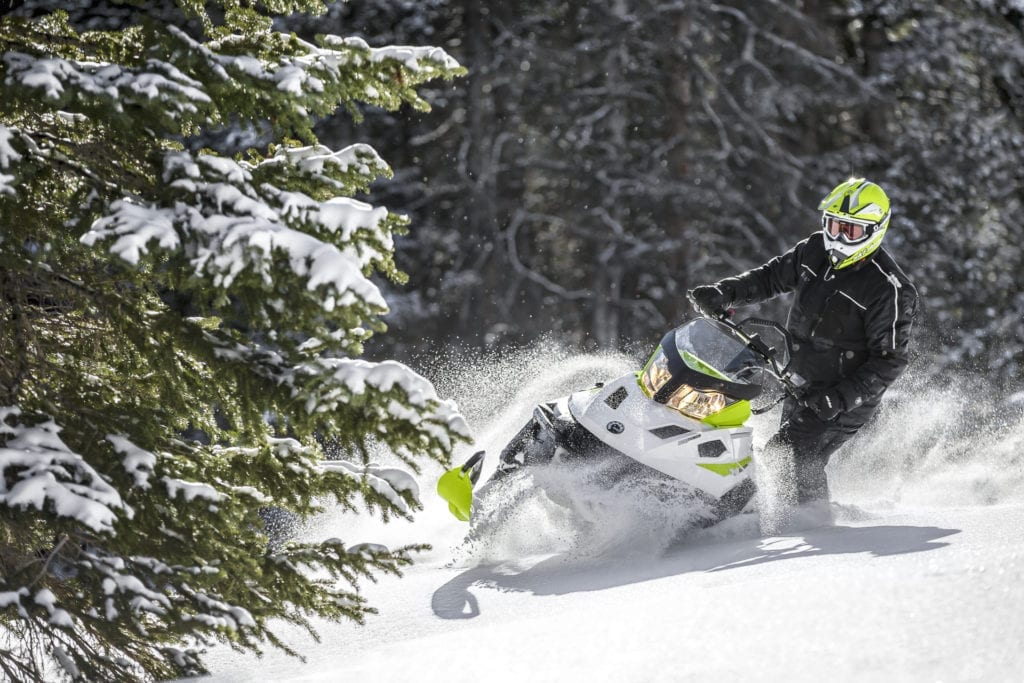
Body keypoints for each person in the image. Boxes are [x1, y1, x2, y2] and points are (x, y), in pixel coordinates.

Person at [687, 178, 918, 521]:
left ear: (875, 231)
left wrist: (837, 400)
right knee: (764, 448)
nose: (838, 238)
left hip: (844, 398)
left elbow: (889, 361)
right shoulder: (814, 251)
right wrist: (726, 293)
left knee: (790, 453)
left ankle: (812, 530)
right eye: (834, 226)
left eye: (851, 231)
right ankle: (764, 515)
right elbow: (770, 278)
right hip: (799, 379)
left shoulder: (888, 288)